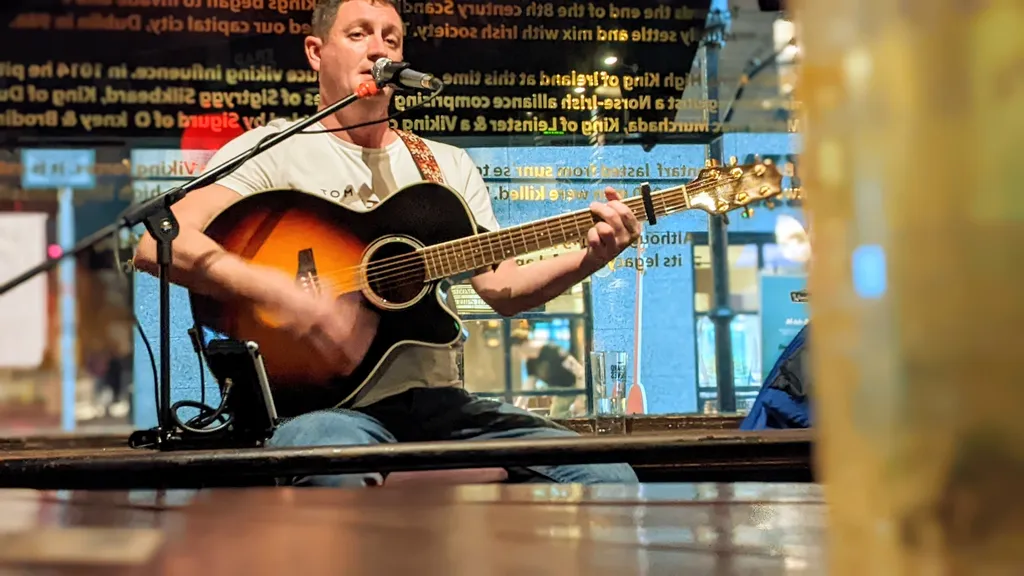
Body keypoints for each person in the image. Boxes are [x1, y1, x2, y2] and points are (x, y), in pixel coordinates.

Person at [133, 0, 640, 486]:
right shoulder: (271, 151)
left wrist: (591, 255)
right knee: (329, 463)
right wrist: (275, 288)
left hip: (440, 405)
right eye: (358, 34)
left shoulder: (443, 165)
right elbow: (157, 245)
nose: (378, 49)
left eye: (390, 38)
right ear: (316, 52)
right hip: (324, 410)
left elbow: (503, 289)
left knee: (606, 473)